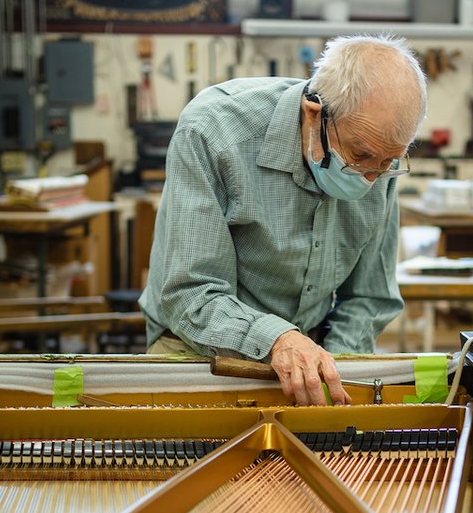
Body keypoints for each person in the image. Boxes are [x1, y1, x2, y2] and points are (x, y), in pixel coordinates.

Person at [139, 34, 428, 405]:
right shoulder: (213, 132)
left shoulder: (377, 165)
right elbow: (191, 293)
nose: (371, 178)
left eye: (388, 163)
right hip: (198, 350)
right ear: (314, 113)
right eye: (360, 155)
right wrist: (278, 339)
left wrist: (331, 366)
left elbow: (370, 298)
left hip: (310, 358)